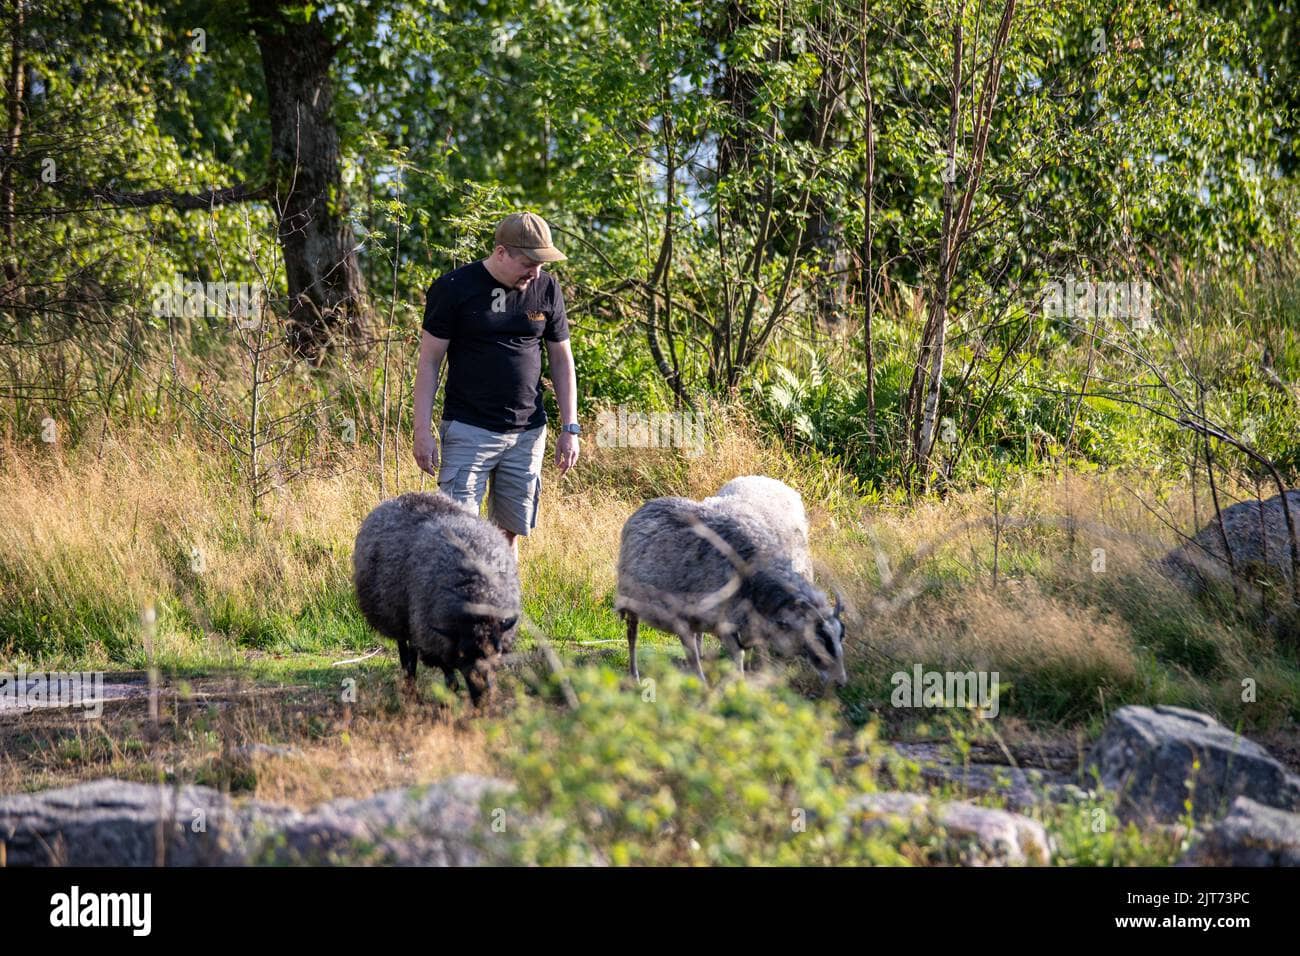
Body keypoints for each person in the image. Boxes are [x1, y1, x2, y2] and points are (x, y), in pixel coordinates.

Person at [412, 212, 580, 558]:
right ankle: (454, 610)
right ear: (501, 253)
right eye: (528, 262)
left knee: (508, 536)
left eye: (541, 263)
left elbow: (562, 360)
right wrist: (421, 430)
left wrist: (570, 427)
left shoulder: (546, 288)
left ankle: (500, 609)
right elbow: (429, 362)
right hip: (468, 429)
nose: (535, 272)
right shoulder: (454, 288)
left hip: (527, 433)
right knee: (459, 537)